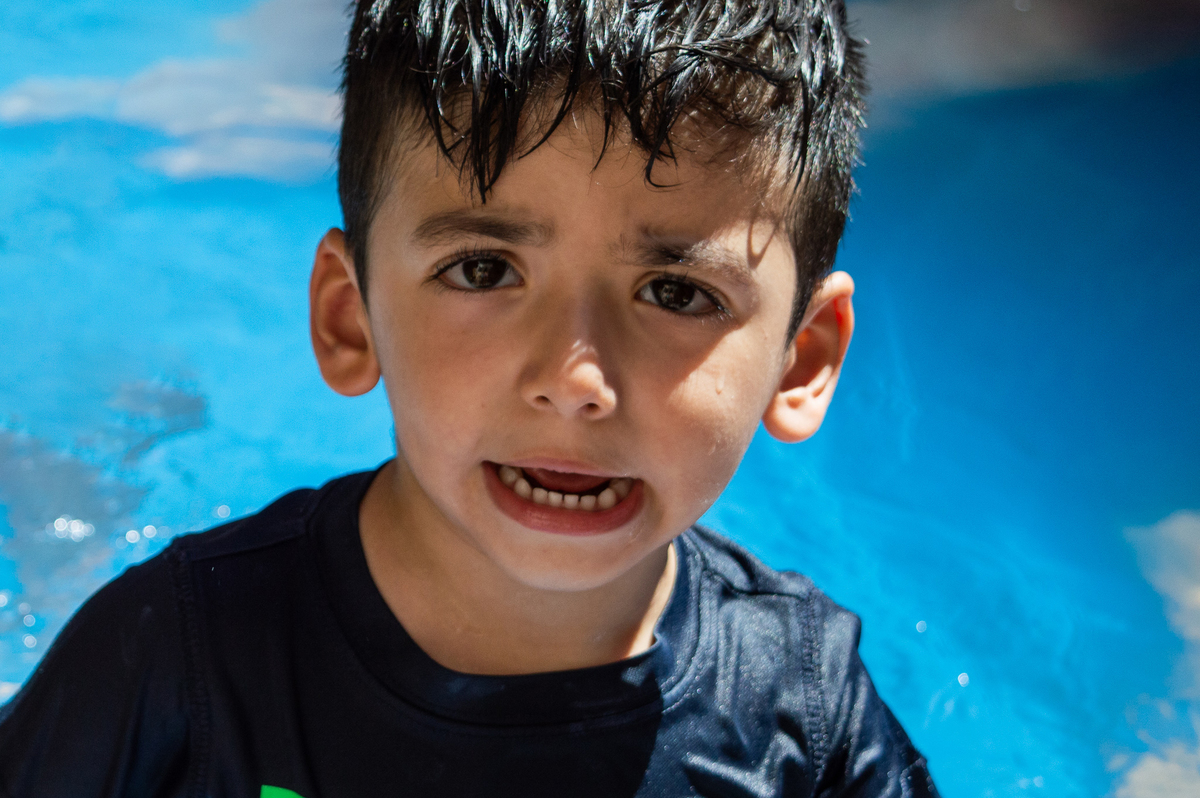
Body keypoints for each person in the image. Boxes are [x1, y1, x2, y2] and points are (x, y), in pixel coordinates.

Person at [0, 1, 939, 795]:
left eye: (677, 293)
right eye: (483, 269)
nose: (574, 381)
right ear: (351, 319)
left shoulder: (803, 711)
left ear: (801, 359)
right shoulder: (182, 660)